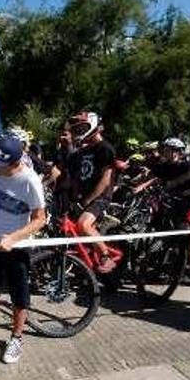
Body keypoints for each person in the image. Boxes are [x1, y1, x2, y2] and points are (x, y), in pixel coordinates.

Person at [0, 135, 46, 364]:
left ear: (15, 163)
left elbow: (40, 219)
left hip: (17, 246)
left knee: (18, 292)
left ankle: (16, 337)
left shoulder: (29, 180)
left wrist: (13, 237)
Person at [66, 111, 119, 273]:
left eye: (83, 128)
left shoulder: (105, 148)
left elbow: (106, 179)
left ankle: (105, 255)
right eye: (77, 129)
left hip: (100, 196)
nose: (79, 131)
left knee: (83, 224)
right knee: (70, 228)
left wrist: (88, 200)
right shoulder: (82, 151)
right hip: (83, 196)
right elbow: (77, 176)